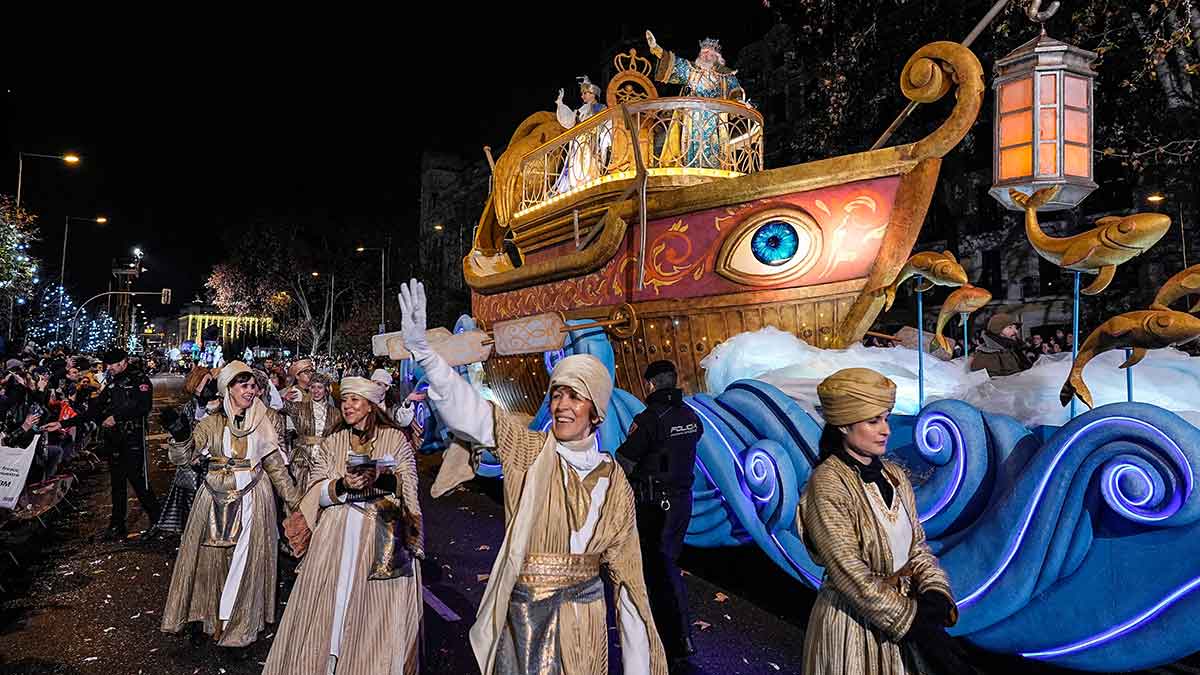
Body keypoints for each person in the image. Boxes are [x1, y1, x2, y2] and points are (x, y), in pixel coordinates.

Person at [397, 279, 667, 675]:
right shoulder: (529, 451)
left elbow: (628, 584)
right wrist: (424, 352)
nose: (561, 405)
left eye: (575, 396)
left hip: (584, 630)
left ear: (596, 412)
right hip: (524, 625)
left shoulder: (614, 483)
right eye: (556, 394)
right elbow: (475, 416)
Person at [799, 368, 966, 674]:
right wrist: (909, 620)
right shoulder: (827, 482)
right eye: (873, 421)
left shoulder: (894, 475)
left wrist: (935, 591)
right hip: (852, 626)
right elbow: (847, 571)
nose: (886, 430)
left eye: (886, 418)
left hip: (905, 618)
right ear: (844, 425)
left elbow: (917, 546)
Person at [264, 376, 423, 674]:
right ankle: (326, 662)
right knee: (332, 605)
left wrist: (382, 478)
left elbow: (410, 487)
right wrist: (342, 485)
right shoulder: (333, 441)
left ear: (371, 405)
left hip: (380, 536)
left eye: (354, 400)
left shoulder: (395, 439)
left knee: (373, 610)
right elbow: (315, 491)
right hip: (337, 535)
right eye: (344, 400)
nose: (347, 406)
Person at [159, 361, 302, 649]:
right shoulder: (211, 422)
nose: (250, 391)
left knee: (246, 563)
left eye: (253, 386)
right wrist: (181, 436)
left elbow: (276, 468)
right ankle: (211, 619)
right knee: (211, 561)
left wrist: (297, 503)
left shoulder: (265, 421)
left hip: (254, 499)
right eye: (243, 386)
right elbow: (185, 458)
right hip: (213, 498)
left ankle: (239, 627)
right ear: (228, 389)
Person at [615, 360, 702, 667]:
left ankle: (674, 639)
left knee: (659, 570)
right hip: (682, 502)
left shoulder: (649, 419)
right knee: (669, 564)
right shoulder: (690, 416)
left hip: (655, 505)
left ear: (650, 384)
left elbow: (625, 458)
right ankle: (676, 636)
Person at [47, 349, 161, 540]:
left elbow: (143, 406)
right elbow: (95, 410)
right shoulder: (113, 382)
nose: (109, 368)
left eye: (112, 364)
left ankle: (157, 520)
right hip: (114, 440)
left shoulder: (139, 380)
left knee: (139, 482)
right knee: (117, 484)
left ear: (123, 362)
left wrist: (117, 417)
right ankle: (117, 525)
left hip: (132, 439)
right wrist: (62, 423)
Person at [645, 30, 746, 169]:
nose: (705, 55)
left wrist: (738, 100)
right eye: (703, 52)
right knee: (691, 143)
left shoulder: (726, 75)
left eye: (708, 52)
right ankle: (691, 165)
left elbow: (735, 91)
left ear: (716, 56)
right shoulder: (692, 71)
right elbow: (674, 64)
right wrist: (656, 48)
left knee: (714, 147)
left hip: (715, 116)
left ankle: (715, 167)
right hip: (692, 116)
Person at [153, 366, 221, 536]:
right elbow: (184, 439)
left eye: (210, 381)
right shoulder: (189, 408)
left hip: (215, 463)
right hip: (193, 468)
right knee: (193, 507)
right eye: (204, 383)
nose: (208, 386)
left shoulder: (222, 405)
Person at [282, 372, 342, 493]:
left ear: (326, 390)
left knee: (320, 493)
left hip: (325, 458)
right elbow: (278, 409)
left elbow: (339, 437)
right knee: (302, 493)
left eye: (320, 387)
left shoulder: (336, 413)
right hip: (302, 458)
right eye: (313, 387)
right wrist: (284, 398)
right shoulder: (299, 408)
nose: (316, 391)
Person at [552, 75, 610, 194]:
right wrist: (560, 104)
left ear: (593, 94)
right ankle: (577, 186)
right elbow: (569, 121)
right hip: (578, 142)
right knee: (576, 165)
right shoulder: (581, 110)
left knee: (589, 162)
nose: (582, 96)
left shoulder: (601, 108)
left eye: (585, 93)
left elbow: (607, 124)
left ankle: (589, 183)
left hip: (592, 141)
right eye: (582, 93)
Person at [969, 313, 1032, 377]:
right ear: (997, 330)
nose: (1016, 331)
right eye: (1010, 327)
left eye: (1015, 328)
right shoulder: (986, 355)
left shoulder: (1012, 349)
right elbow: (985, 382)